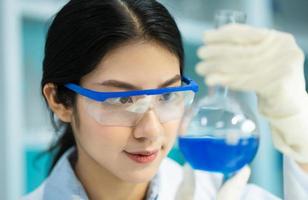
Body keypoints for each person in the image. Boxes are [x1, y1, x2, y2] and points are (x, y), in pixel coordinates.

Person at [22, 0, 308, 199]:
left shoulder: (224, 194)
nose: (151, 130)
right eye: (123, 100)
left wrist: (301, 135)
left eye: (168, 95)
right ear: (59, 101)